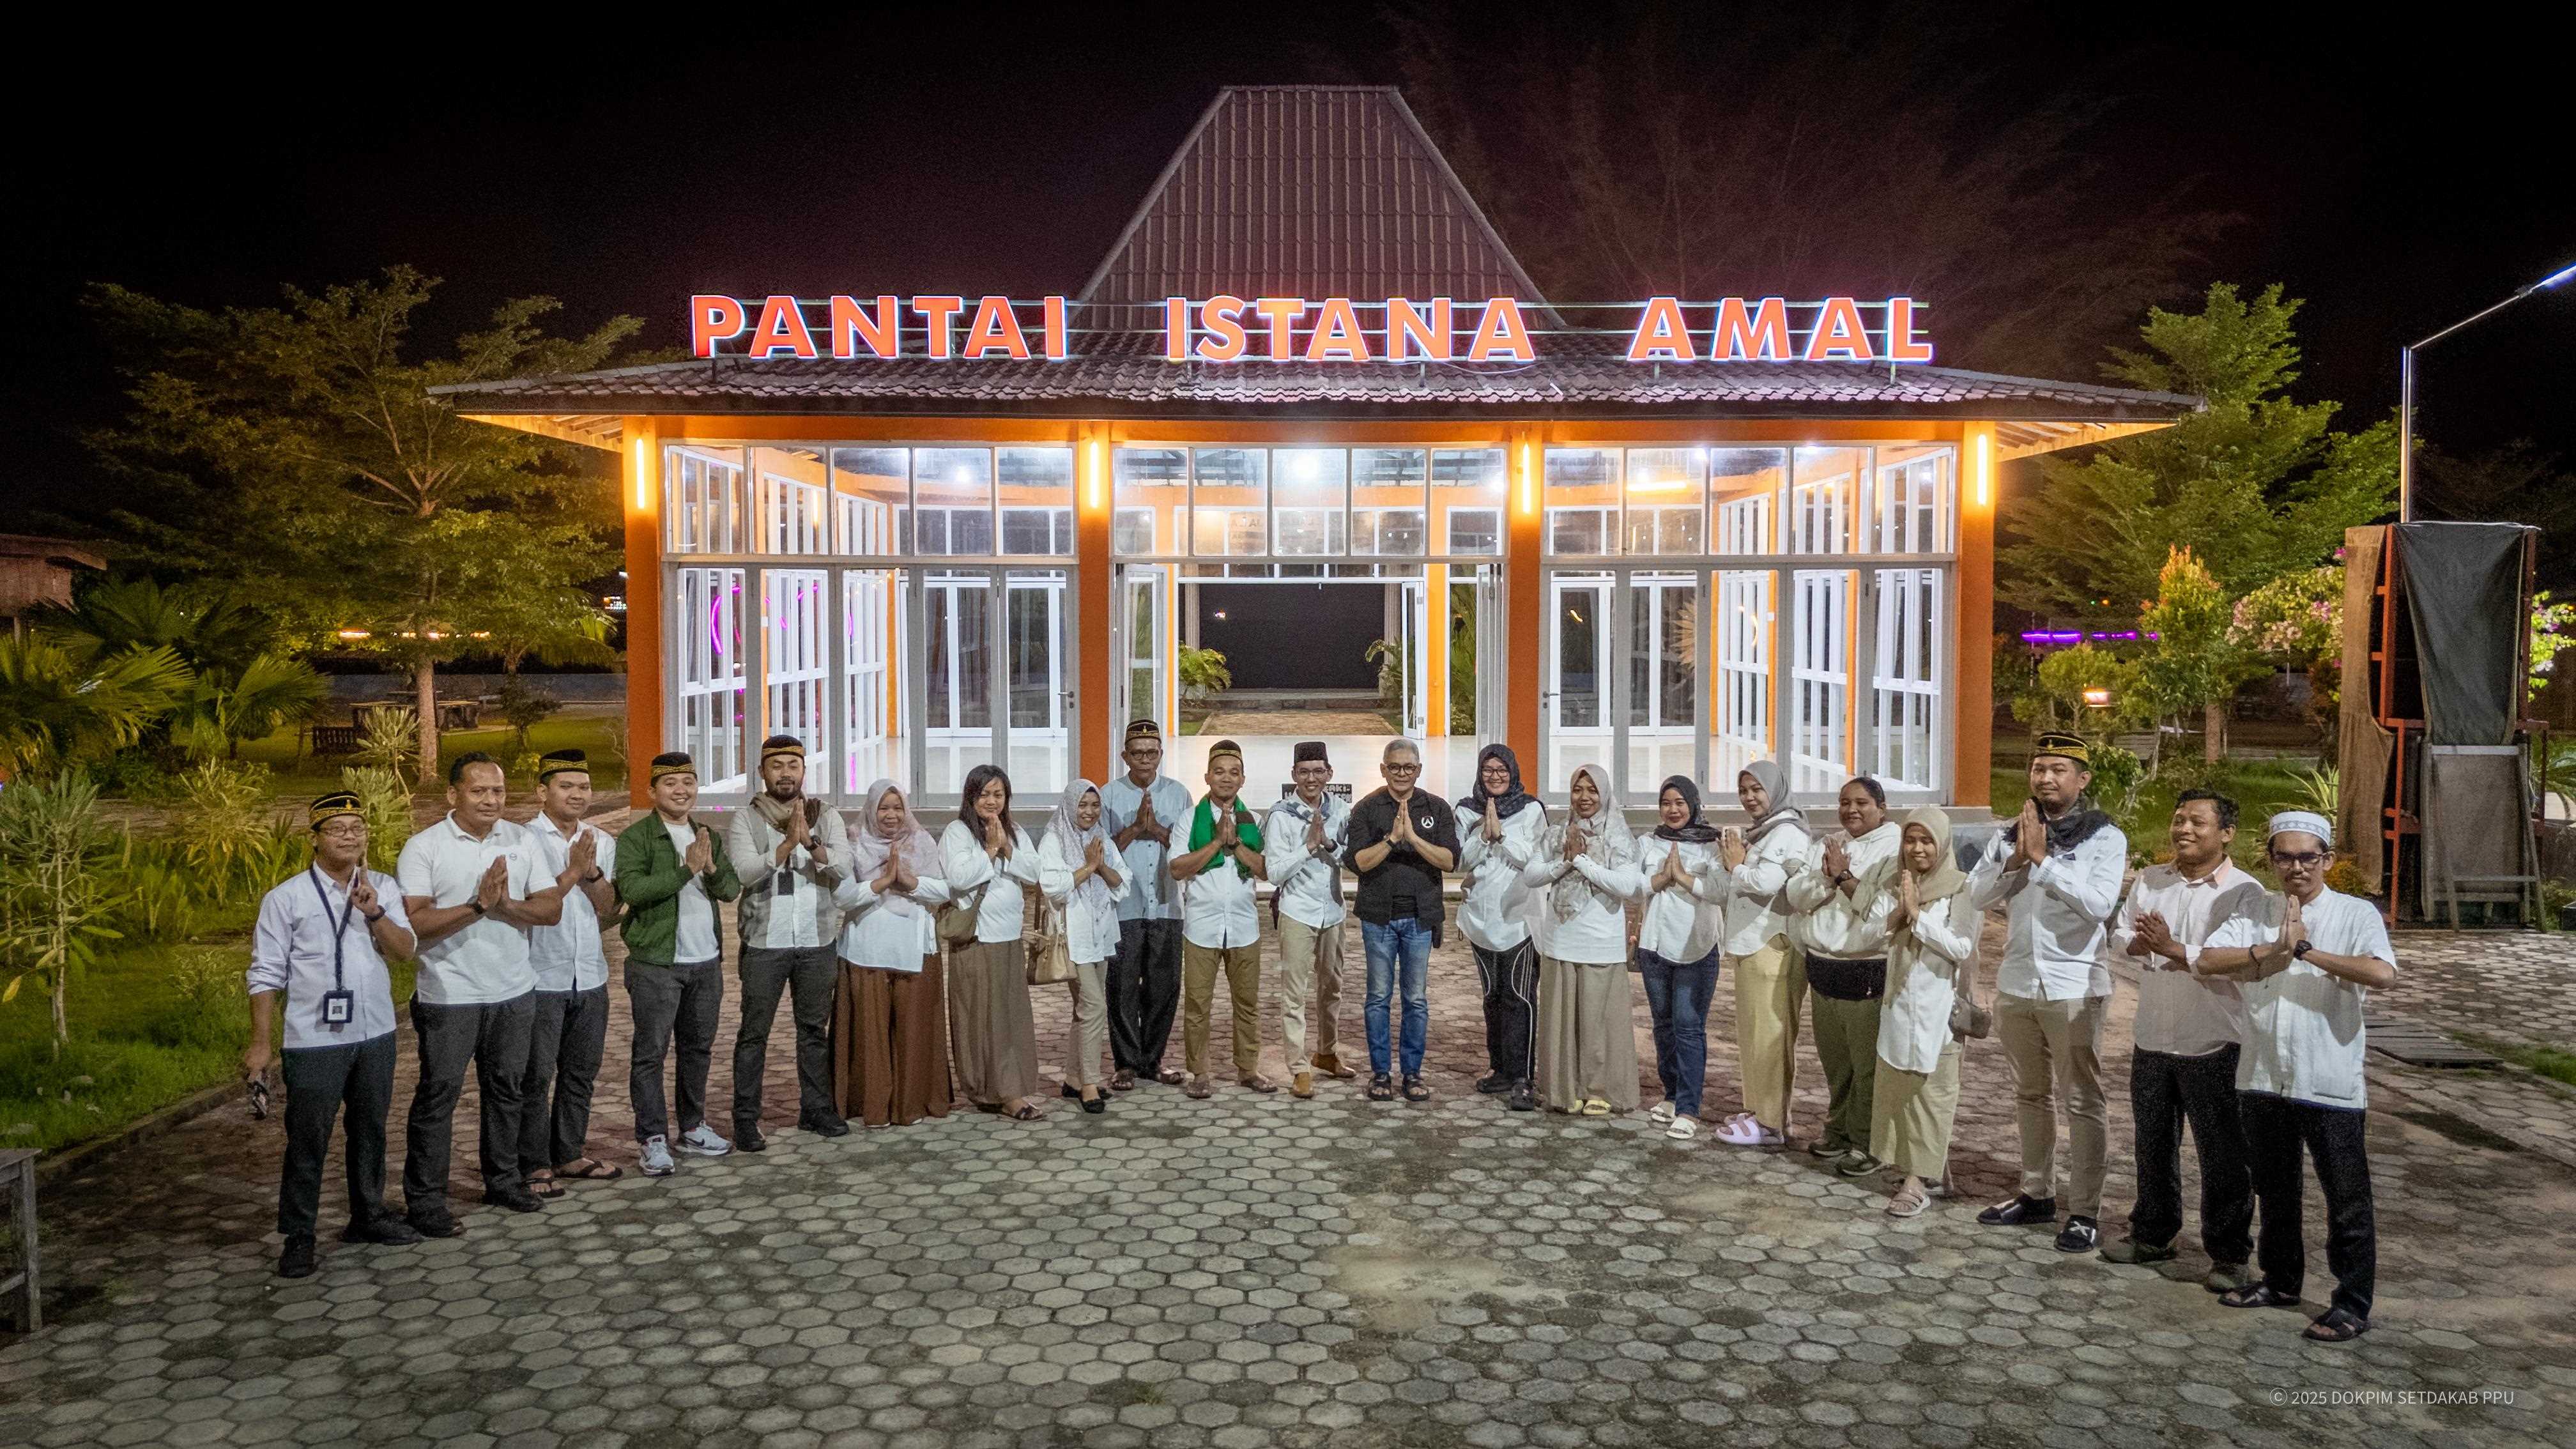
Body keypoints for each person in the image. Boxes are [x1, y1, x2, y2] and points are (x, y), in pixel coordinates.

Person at [2196, 811, 2397, 1344]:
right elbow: (2208, 960)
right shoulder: (2256, 910)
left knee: (2346, 1199)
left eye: (2308, 857)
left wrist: (2304, 950)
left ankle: (2352, 1303)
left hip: (2329, 1080)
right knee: (2275, 1191)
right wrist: (2271, 950)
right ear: (2271, 860)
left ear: (2328, 860)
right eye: (2284, 856)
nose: (2297, 868)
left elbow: (2382, 973)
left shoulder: (2355, 913)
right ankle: (2281, 1282)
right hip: (2263, 1075)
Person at [245, 792, 420, 1278]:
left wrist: (375, 913)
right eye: (338, 829)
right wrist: (261, 1042)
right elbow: (265, 973)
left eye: (357, 829)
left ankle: (367, 1216)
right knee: (308, 1138)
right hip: (313, 1038)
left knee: (370, 1130)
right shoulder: (287, 898)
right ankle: (298, 1234)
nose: (350, 837)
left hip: (375, 1032)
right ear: (315, 839)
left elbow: (406, 951)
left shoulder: (382, 885)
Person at [1968, 732, 2127, 1254]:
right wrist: (2016, 859)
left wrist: (2043, 861)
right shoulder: (2013, 833)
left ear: (2082, 780)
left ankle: (2084, 1211)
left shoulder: (2104, 838)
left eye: (2059, 769)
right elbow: (1976, 894)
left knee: (2082, 1101)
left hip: (2074, 988)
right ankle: (2036, 1193)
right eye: (2039, 768)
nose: (2046, 778)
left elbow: (2100, 905)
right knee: (2029, 1095)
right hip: (2017, 983)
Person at [2101, 789, 2266, 1287]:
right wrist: (2142, 944)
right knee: (2152, 1144)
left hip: (2214, 1040)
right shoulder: (2151, 881)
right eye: (2178, 820)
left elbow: (2224, 955)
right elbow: (2119, 933)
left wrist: (2170, 947)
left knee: (2223, 1154)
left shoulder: (2245, 892)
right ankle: (2153, 1233)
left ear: (2227, 833)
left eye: (2197, 822)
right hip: (2152, 1035)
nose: (2184, 830)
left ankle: (2231, 1254)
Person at [395, 751, 564, 1233]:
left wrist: (505, 904)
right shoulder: (424, 847)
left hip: (514, 991)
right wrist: (476, 906)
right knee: (438, 1097)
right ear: (453, 794)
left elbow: (549, 908)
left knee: (507, 1091)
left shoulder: (522, 839)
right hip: (449, 996)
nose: (492, 800)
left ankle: (504, 1180)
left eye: (498, 791)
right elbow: (416, 924)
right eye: (479, 791)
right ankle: (426, 1200)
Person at [613, 751, 742, 1177]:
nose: (681, 791)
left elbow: (729, 889)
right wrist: (686, 870)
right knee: (651, 1054)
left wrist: (708, 867)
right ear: (653, 791)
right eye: (670, 784)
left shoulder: (705, 834)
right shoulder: (636, 838)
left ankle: (692, 1126)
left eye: (688, 782)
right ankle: (652, 1138)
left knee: (698, 1050)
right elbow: (634, 888)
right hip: (656, 964)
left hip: (705, 962)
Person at [723, 735, 850, 1151]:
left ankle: (815, 1109)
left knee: (814, 1030)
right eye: (776, 765)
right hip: (765, 943)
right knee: (753, 1033)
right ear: (762, 772)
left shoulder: (824, 815)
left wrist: (811, 843)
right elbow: (744, 872)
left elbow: (844, 870)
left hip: (816, 942)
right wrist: (787, 845)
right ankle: (745, 1118)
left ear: (803, 772)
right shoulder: (747, 818)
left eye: (792, 765)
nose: (785, 773)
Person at [518, 749, 623, 1198]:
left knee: (581, 1072)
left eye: (583, 787)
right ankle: (533, 1163)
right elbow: (532, 904)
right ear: (542, 791)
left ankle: (569, 1153)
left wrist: (592, 870)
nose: (577, 794)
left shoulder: (603, 839)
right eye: (566, 786)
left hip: (590, 975)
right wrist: (572, 871)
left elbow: (609, 908)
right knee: (536, 1075)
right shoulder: (522, 840)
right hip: (540, 976)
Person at [1785, 776, 1900, 1176]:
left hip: (1864, 967)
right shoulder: (1830, 843)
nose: (1852, 810)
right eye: (1844, 802)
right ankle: (1838, 1130)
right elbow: (1796, 896)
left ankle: (1866, 1141)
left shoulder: (1896, 846)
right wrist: (1827, 878)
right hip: (1822, 964)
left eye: (1862, 803)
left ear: (1881, 808)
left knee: (1867, 1064)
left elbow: (1881, 914)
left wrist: (1843, 880)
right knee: (1835, 1061)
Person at [1869, 808, 1979, 1217]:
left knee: (1933, 1094)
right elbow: (1868, 934)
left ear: (1943, 843)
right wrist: (1899, 912)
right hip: (1898, 1003)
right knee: (1903, 1092)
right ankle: (1933, 1170)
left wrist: (1917, 918)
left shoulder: (1963, 888)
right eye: (1910, 840)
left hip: (1939, 1006)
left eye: (1927, 840)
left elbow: (1961, 947)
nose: (1917, 849)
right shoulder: (1896, 882)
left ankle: (1918, 1182)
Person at [829, 779, 953, 1128]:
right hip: (867, 949)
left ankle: (909, 1105)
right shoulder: (853, 842)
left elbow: (944, 890)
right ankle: (874, 1107)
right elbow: (842, 897)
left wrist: (910, 883)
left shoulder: (922, 841)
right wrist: (882, 883)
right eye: (884, 808)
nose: (892, 815)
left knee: (913, 1032)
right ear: (871, 809)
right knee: (871, 1035)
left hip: (914, 947)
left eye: (898, 807)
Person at [940, 763, 1062, 1120]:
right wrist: (990, 851)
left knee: (1010, 1019)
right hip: (977, 941)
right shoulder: (957, 832)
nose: (992, 801)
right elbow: (959, 878)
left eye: (999, 794)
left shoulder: (1015, 830)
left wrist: (1006, 848)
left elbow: (1035, 872)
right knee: (979, 1020)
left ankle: (1008, 1088)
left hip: (1009, 939)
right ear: (971, 797)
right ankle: (997, 1092)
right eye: (984, 794)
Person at [1521, 763, 1643, 1116]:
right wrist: (1563, 864)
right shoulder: (1557, 832)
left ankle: (1599, 1090)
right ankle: (1565, 1088)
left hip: (1601, 941)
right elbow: (1531, 874)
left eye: (1592, 790)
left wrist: (1583, 862)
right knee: (1563, 1022)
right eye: (1578, 790)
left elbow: (1626, 885)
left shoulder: (1618, 835)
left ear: (1604, 794)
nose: (1585, 797)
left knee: (1598, 1022)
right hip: (1561, 938)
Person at [1344, 739, 1459, 1102]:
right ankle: (1381, 1073)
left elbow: (1449, 860)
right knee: (1378, 997)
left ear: (1419, 770)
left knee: (1415, 1000)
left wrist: (1411, 836)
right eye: (1394, 767)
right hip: (1379, 918)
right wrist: (1393, 841)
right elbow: (1359, 862)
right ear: (1383, 769)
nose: (1401, 774)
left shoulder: (1436, 808)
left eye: (1409, 767)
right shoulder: (1366, 809)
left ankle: (1412, 1073)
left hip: (1420, 919)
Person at [1713, 761, 1810, 1148]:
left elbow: (1767, 883)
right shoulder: (1765, 832)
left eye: (1757, 789)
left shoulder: (1788, 832)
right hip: (1753, 945)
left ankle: (1772, 1123)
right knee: (1753, 1035)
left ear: (1776, 789)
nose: (1750, 798)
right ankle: (1758, 1110)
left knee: (1772, 1037)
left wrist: (1736, 866)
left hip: (1774, 946)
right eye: (1744, 790)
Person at [1098, 720, 1197, 1090]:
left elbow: (1189, 850)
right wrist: (1133, 830)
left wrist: (1156, 830)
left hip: (1168, 905)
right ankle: (1125, 1063)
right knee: (1121, 987)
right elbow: (1100, 852)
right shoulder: (1107, 795)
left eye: (1151, 752)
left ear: (1160, 754)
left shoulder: (1179, 794)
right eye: (1137, 753)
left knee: (1164, 987)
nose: (1144, 760)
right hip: (1124, 906)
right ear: (1124, 755)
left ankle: (1152, 1061)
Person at [1170, 739, 1269, 1098]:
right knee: (1198, 1004)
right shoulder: (1188, 819)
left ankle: (1248, 1069)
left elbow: (1264, 870)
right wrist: (1214, 844)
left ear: (1243, 780)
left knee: (1248, 1004)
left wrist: (1237, 846)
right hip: (1201, 926)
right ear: (1207, 777)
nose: (1226, 779)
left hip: (1244, 926)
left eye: (1234, 773)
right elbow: (1177, 868)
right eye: (1219, 772)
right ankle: (1200, 1073)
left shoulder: (1253, 820)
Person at [1635, 776, 1729, 1142]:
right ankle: (1672, 1095)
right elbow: (1634, 884)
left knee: (1689, 1027)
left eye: (1680, 802)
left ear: (1693, 804)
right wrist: (1659, 880)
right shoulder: (1648, 842)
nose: (1673, 810)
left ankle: (1690, 1108)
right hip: (1654, 944)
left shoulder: (1711, 845)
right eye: (1666, 803)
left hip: (1697, 946)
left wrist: (1684, 878)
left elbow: (1722, 892)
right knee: (1663, 1025)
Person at [1455, 744, 1545, 1113]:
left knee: (1519, 997)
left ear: (1513, 772)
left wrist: (1504, 836)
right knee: (1493, 997)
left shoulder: (1531, 810)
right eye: (1488, 770)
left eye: (1501, 770)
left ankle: (1524, 1077)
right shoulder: (1465, 810)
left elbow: (1538, 861)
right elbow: (1459, 861)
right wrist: (1482, 833)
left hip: (1520, 918)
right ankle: (1501, 1070)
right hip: (1480, 918)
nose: (1495, 776)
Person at [1264, 742, 1351, 1100]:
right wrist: (1309, 847)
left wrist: (1330, 846)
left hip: (1333, 909)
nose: (1312, 778)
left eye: (1319, 771)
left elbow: (1352, 859)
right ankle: (1298, 1067)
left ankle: (1326, 1052)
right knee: (1295, 993)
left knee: (1332, 989)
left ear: (1329, 773)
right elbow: (1273, 872)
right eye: (1304, 772)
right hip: (1297, 911)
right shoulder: (1281, 815)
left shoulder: (1342, 810)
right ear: (1293, 776)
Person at [1043, 778, 1124, 1112]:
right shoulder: (1053, 840)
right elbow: (1053, 886)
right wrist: (1089, 867)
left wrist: (1101, 865)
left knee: (1086, 1009)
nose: (1089, 812)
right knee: (1093, 1007)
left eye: (1094, 805)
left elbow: (1122, 881)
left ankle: (1074, 1078)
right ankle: (1090, 1082)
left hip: (1100, 935)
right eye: (1082, 805)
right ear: (1069, 805)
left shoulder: (1101, 837)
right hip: (1072, 936)